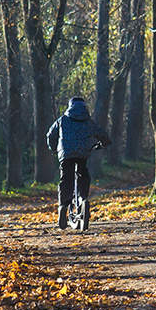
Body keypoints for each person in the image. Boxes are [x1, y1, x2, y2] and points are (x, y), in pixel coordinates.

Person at [46, 96, 111, 229]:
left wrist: (54, 149)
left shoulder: (62, 119)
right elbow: (104, 136)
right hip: (83, 153)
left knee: (66, 178)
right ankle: (83, 200)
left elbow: (50, 135)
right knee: (83, 174)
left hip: (66, 153)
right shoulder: (88, 122)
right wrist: (101, 144)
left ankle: (63, 206)